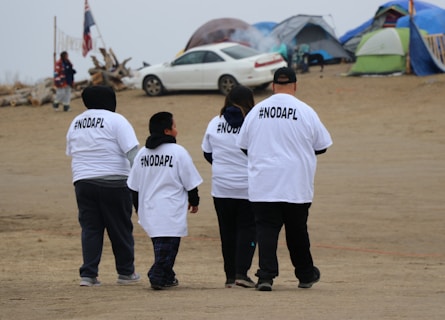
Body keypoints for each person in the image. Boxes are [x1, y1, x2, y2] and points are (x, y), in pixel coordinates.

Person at [236, 67, 333, 291]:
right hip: (295, 183)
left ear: (273, 86)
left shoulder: (257, 111)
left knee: (266, 231)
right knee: (297, 230)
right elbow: (322, 146)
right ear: (295, 86)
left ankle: (266, 276)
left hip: (264, 183)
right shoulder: (305, 111)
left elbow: (243, 146)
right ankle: (306, 274)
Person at [66, 85, 141, 287]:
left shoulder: (76, 122)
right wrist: (141, 183)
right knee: (120, 228)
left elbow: (72, 151)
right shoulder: (116, 120)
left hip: (83, 182)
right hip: (114, 183)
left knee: (90, 229)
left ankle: (88, 275)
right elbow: (133, 154)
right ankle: (126, 273)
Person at [127, 111, 203, 290]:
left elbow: (134, 186)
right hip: (170, 207)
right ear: (167, 131)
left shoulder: (142, 154)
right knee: (168, 247)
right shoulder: (178, 152)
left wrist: (138, 207)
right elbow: (190, 181)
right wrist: (195, 200)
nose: (177, 129)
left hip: (149, 207)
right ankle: (157, 274)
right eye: (175, 126)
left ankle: (168, 276)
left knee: (161, 245)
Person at [201, 85, 257, 288]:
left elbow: (207, 153)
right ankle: (242, 273)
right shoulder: (252, 123)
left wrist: (223, 166)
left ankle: (230, 277)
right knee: (248, 230)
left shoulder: (215, 123)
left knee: (227, 232)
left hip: (221, 187)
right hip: (247, 187)